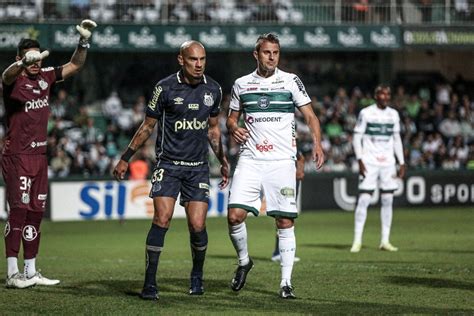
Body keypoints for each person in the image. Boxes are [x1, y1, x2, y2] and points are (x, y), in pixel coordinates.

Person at [113, 40, 229, 301]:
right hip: (168, 165)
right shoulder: (164, 88)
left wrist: (222, 159)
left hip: (198, 167)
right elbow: (147, 126)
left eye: (202, 59)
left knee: (197, 225)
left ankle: (197, 276)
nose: (198, 65)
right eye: (193, 60)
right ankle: (150, 283)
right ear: (181, 60)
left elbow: (213, 129)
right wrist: (125, 158)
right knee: (161, 219)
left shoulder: (214, 89)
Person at [226, 33, 324, 299]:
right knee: (234, 216)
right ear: (256, 54)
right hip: (250, 159)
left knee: (284, 220)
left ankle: (285, 283)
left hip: (281, 162)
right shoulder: (241, 84)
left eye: (276, 52)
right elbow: (231, 119)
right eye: (267, 52)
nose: (272, 57)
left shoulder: (291, 81)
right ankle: (244, 261)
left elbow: (311, 116)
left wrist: (317, 144)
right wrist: (234, 128)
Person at [2, 19, 97, 289]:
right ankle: (12, 274)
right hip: (17, 156)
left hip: (39, 157)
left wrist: (83, 41)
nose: (34, 63)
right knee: (18, 212)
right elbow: (5, 76)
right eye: (28, 59)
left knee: (35, 213)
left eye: (37, 57)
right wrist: (20, 64)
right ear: (20, 58)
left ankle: (30, 272)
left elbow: (76, 65)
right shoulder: (13, 81)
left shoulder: (45, 77)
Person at [350, 84, 406, 253]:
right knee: (364, 199)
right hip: (370, 162)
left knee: (388, 200)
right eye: (382, 94)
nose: (385, 97)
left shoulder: (393, 114)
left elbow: (396, 139)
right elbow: (356, 137)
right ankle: (357, 240)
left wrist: (401, 162)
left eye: (388, 94)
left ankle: (385, 240)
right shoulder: (366, 113)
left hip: (388, 163)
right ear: (376, 96)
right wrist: (360, 159)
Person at [270, 151, 304, 263]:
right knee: (282, 216)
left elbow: (300, 157)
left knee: (287, 217)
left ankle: (283, 251)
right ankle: (278, 252)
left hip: (291, 180)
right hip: (284, 180)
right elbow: (300, 157)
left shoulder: (293, 144)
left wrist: (300, 170)